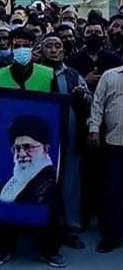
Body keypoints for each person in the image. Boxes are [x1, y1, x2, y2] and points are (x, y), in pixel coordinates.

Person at [0, 28, 64, 268]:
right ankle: (2, 247)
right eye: (16, 43)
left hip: (39, 147)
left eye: (26, 44)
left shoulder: (47, 73)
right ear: (10, 46)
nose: (21, 48)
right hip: (6, 147)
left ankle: (48, 249)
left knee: (48, 199)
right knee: (3, 197)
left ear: (33, 46)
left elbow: (55, 111)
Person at [41, 34, 90, 249]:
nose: (53, 50)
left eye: (57, 46)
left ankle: (71, 228)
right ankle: (37, 225)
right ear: (41, 50)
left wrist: (82, 95)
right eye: (49, 46)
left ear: (63, 50)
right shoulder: (35, 74)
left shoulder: (73, 75)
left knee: (70, 182)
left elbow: (89, 100)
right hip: (41, 138)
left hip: (69, 136)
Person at [89, 58, 123, 253]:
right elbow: (98, 103)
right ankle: (110, 236)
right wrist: (94, 128)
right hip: (114, 141)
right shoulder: (110, 75)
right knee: (112, 191)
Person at [0, 116, 58, 205]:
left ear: (45, 149)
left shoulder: (50, 184)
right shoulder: (12, 182)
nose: (21, 154)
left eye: (28, 147)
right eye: (17, 148)